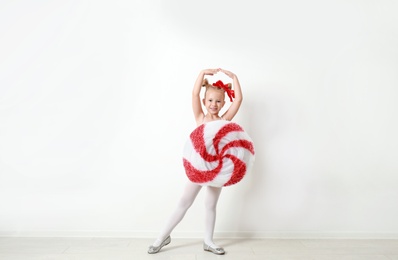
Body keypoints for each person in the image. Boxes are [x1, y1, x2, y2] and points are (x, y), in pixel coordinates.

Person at [148, 68, 243, 255]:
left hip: (216, 168)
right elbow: (194, 93)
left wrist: (235, 78)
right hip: (199, 167)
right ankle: (161, 237)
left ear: (224, 103)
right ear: (204, 101)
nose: (213, 104)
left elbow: (238, 99)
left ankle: (208, 240)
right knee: (184, 201)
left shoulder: (225, 119)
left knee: (210, 205)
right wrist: (202, 73)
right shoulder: (200, 118)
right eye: (210, 100)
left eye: (218, 101)